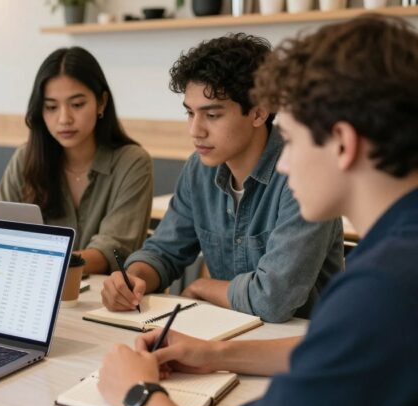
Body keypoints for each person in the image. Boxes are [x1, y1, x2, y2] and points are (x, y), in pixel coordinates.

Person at [97, 14, 418, 406]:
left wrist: (138, 394)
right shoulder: (395, 255)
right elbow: (332, 348)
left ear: (342, 143)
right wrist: (213, 354)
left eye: (294, 139)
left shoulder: (382, 287)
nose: (283, 162)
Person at [101, 33, 343, 322]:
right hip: (226, 333)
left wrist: (203, 287)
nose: (195, 130)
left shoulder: (303, 175)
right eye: (190, 113)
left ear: (258, 113)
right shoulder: (199, 168)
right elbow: (164, 251)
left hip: (303, 341)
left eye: (212, 115)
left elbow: (273, 299)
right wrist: (132, 278)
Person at [0, 47, 153, 275]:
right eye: (51, 107)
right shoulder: (25, 158)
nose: (64, 119)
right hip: (30, 287)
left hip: (101, 295)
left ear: (101, 103)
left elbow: (114, 249)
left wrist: (41, 262)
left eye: (77, 105)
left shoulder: (132, 162)